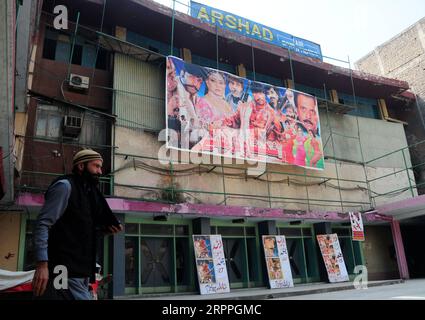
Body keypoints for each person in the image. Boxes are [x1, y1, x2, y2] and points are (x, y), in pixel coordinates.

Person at [32, 149, 123, 300]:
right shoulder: (65, 187)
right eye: (96, 166)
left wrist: (105, 231)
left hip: (82, 272)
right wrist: (42, 264)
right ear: (81, 166)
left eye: (100, 167)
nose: (100, 172)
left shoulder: (89, 194)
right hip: (63, 270)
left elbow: (79, 233)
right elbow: (43, 224)